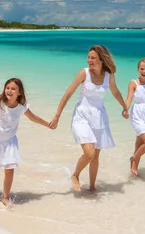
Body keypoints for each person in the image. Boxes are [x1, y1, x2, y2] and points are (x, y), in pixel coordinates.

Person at [49, 45, 128, 193]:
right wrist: (57, 116)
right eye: (89, 57)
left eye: (93, 58)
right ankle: (75, 175)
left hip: (99, 117)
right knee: (89, 153)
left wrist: (124, 107)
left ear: (101, 60)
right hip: (82, 115)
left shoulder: (109, 76)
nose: (89, 60)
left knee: (96, 156)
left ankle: (92, 187)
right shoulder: (83, 73)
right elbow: (68, 94)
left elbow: (115, 92)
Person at [0, 78, 54, 206]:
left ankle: (5, 196)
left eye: (13, 89)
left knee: (9, 169)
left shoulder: (21, 107)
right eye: (8, 88)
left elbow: (33, 118)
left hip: (10, 142)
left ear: (19, 92)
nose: (9, 90)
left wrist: (47, 124)